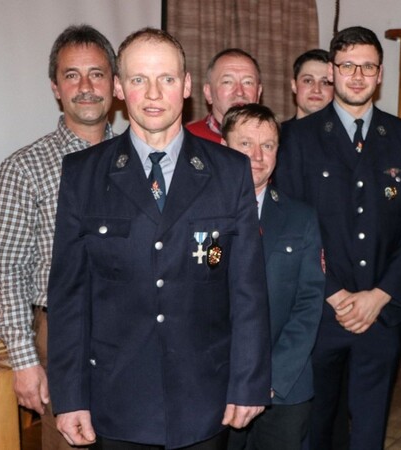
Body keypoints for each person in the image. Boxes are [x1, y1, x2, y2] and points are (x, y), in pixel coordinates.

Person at [46, 27, 271, 449]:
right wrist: (69, 397)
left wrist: (249, 382)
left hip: (205, 396)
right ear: (118, 88)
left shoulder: (229, 171)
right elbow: (70, 298)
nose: (153, 93)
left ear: (186, 86)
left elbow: (248, 290)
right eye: (138, 80)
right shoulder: (82, 175)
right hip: (116, 399)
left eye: (166, 79)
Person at [275, 26, 401, 450]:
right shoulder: (296, 139)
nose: (357, 75)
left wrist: (380, 295)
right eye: (347, 66)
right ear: (332, 70)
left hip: (380, 317)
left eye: (368, 66)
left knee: (368, 432)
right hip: (318, 314)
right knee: (315, 429)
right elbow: (288, 228)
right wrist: (336, 295)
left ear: (380, 74)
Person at [0, 24, 115, 450]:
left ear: (114, 83)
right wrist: (24, 362)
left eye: (96, 73)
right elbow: (7, 271)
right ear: (56, 88)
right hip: (61, 331)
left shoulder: (140, 161)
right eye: (71, 75)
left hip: (134, 328)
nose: (85, 87)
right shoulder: (25, 167)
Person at [221, 104, 325, 450]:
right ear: (224, 147)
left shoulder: (301, 218)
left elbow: (308, 305)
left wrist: (270, 377)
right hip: (218, 386)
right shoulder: (197, 216)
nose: (257, 156)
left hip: (284, 386)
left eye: (267, 146)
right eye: (245, 144)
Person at [186, 48, 263, 143]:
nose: (239, 92)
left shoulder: (273, 142)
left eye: (247, 82)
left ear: (259, 92)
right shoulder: (187, 141)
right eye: (227, 82)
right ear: (209, 93)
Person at [289, 49, 334, 120]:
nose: (316, 90)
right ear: (294, 85)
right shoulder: (278, 131)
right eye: (308, 81)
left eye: (325, 83)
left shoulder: (348, 130)